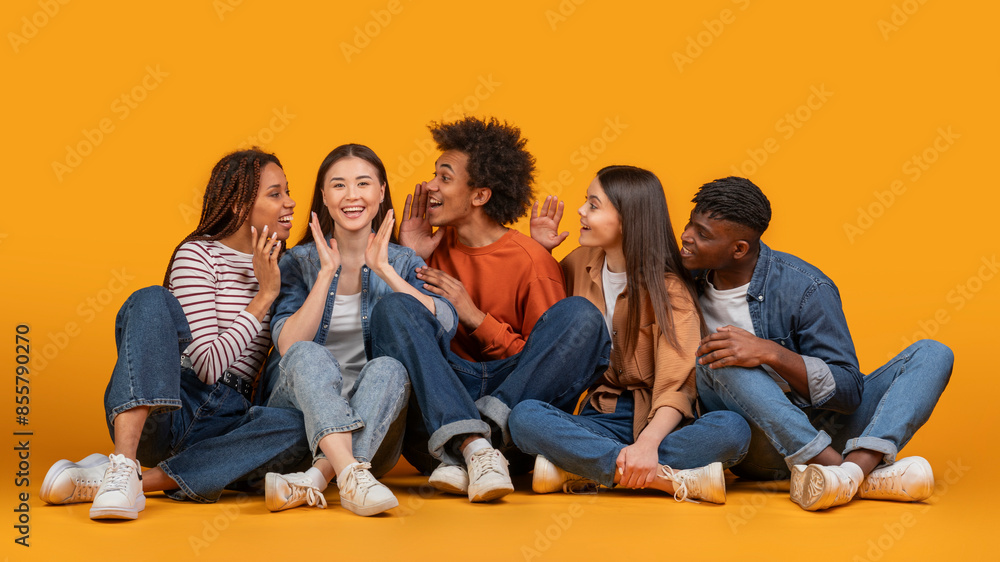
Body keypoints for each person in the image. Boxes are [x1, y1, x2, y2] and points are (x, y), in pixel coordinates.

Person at [39, 148, 311, 520]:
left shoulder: (287, 266)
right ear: (238, 205)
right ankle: (124, 459)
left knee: (299, 426)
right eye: (275, 193)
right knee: (151, 298)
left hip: (232, 420)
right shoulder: (198, 256)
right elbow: (208, 367)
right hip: (171, 405)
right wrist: (263, 297)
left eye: (287, 191)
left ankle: (124, 479)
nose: (290, 202)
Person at [370, 116, 611, 502]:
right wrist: (408, 255)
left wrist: (475, 318)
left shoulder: (531, 261)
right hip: (435, 424)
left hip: (511, 432)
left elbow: (546, 367)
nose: (430, 186)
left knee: (581, 316)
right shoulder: (424, 252)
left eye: (444, 178)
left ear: (479, 195)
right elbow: (399, 344)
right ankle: (471, 444)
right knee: (394, 308)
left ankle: (477, 437)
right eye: (434, 175)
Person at [680, 176, 954, 511]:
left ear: (739, 249)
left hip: (827, 425)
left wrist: (772, 353)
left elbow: (849, 391)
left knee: (933, 353)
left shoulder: (806, 287)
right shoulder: (680, 280)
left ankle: (848, 475)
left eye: (702, 234)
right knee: (718, 353)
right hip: (758, 445)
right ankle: (844, 472)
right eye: (690, 225)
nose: (686, 237)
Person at [514, 166, 749, 502]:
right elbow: (547, 328)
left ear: (626, 220)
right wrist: (541, 254)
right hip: (600, 418)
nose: (580, 211)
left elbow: (677, 387)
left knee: (732, 430)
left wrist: (647, 445)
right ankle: (667, 480)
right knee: (525, 417)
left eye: (593, 206)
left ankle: (582, 466)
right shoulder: (577, 263)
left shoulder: (669, 291)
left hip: (660, 423)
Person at [260, 144, 454, 516]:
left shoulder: (401, 260)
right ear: (323, 197)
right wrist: (326, 274)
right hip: (299, 428)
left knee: (390, 368)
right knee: (308, 353)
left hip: (373, 428)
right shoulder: (297, 262)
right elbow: (289, 346)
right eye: (339, 185)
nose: (352, 196)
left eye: (363, 184)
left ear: (381, 193)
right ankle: (351, 474)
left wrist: (385, 271)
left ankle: (319, 478)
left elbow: (444, 324)